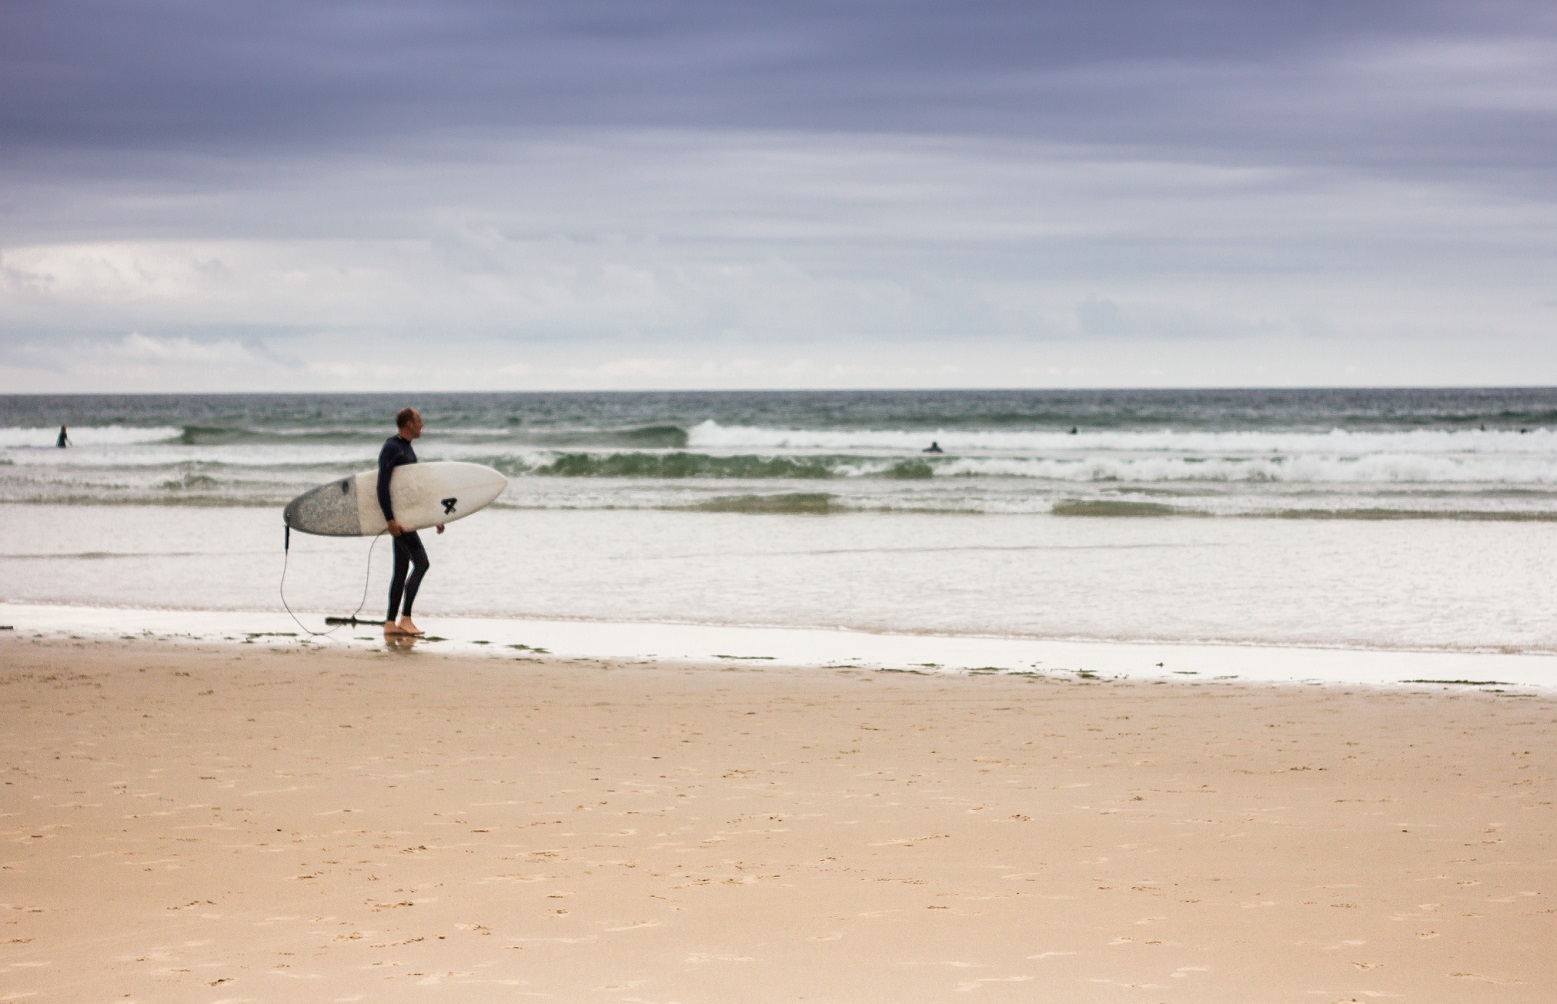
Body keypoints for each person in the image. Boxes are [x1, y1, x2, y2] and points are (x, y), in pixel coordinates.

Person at [379, 407, 443, 636]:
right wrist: (390, 519)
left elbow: (411, 490)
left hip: (404, 519)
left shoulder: (406, 448)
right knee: (422, 563)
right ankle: (405, 618)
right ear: (408, 423)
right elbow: (382, 485)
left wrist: (434, 516)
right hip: (399, 521)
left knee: (401, 570)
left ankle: (390, 624)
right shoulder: (392, 447)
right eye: (419, 421)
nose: (422, 424)